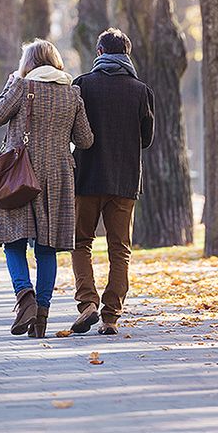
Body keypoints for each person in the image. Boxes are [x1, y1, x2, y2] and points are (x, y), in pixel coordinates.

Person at [0, 39, 94, 338]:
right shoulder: (72, 93)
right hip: (59, 176)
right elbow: (85, 140)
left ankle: (25, 298)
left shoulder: (21, 87)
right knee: (47, 248)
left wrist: (12, 84)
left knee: (13, 242)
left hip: (20, 175)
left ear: (28, 63)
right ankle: (41, 317)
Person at [70, 28, 154, 335]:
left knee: (81, 243)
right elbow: (146, 139)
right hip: (124, 182)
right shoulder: (141, 91)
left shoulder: (82, 85)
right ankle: (111, 316)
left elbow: (72, 130)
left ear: (100, 53)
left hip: (87, 178)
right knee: (120, 249)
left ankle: (87, 303)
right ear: (127, 55)